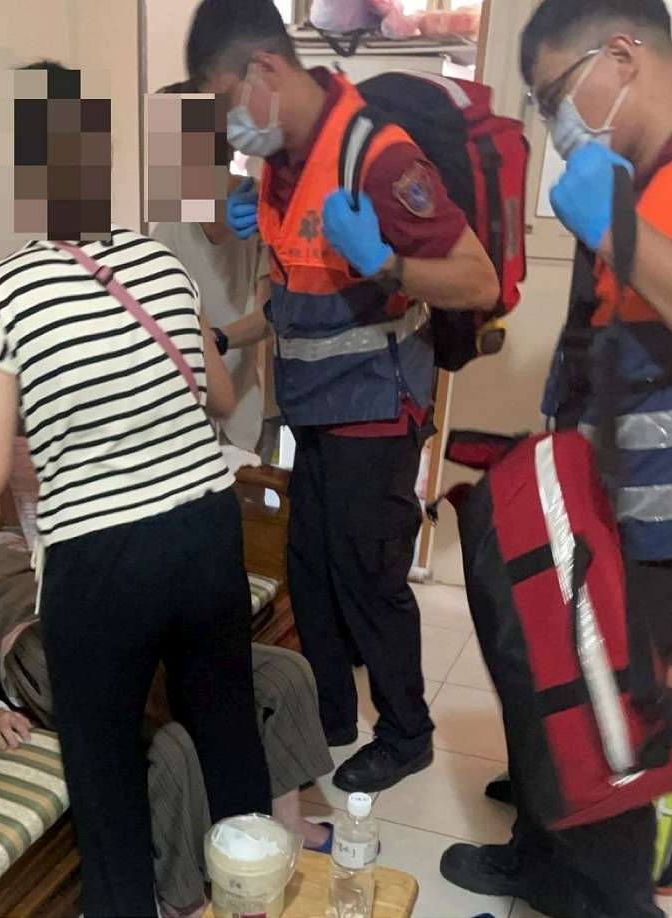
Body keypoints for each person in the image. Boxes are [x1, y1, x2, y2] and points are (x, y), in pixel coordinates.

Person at [0, 59, 271, 917]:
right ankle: (254, 899)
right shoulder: (158, 264)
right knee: (229, 734)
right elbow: (221, 399)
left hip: (101, 561)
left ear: (20, 165)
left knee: (107, 773)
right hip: (205, 529)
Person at [185, 0, 500, 794]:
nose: (227, 123)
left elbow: (477, 281)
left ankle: (406, 733)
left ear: (264, 69)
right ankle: (327, 714)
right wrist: (228, 327)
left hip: (376, 407)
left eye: (224, 99)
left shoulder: (376, 156)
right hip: (315, 408)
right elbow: (293, 298)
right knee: (312, 570)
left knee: (367, 575)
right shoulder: (279, 161)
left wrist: (387, 263)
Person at [441, 3, 672, 916]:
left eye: (553, 96)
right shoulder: (633, 175)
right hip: (610, 501)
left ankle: (604, 895)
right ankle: (539, 852)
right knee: (551, 672)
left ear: (619, 55)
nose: (553, 122)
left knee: (612, 728)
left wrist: (615, 226)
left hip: (660, 537)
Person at [0, 475, 334, 918]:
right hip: (39, 667)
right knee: (168, 743)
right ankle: (185, 900)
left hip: (120, 639)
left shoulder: (35, 517)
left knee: (282, 673)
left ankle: (285, 828)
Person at [152, 80, 276, 461]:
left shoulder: (263, 208)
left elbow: (269, 316)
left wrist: (215, 340)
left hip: (250, 409)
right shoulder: (169, 230)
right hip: (187, 420)